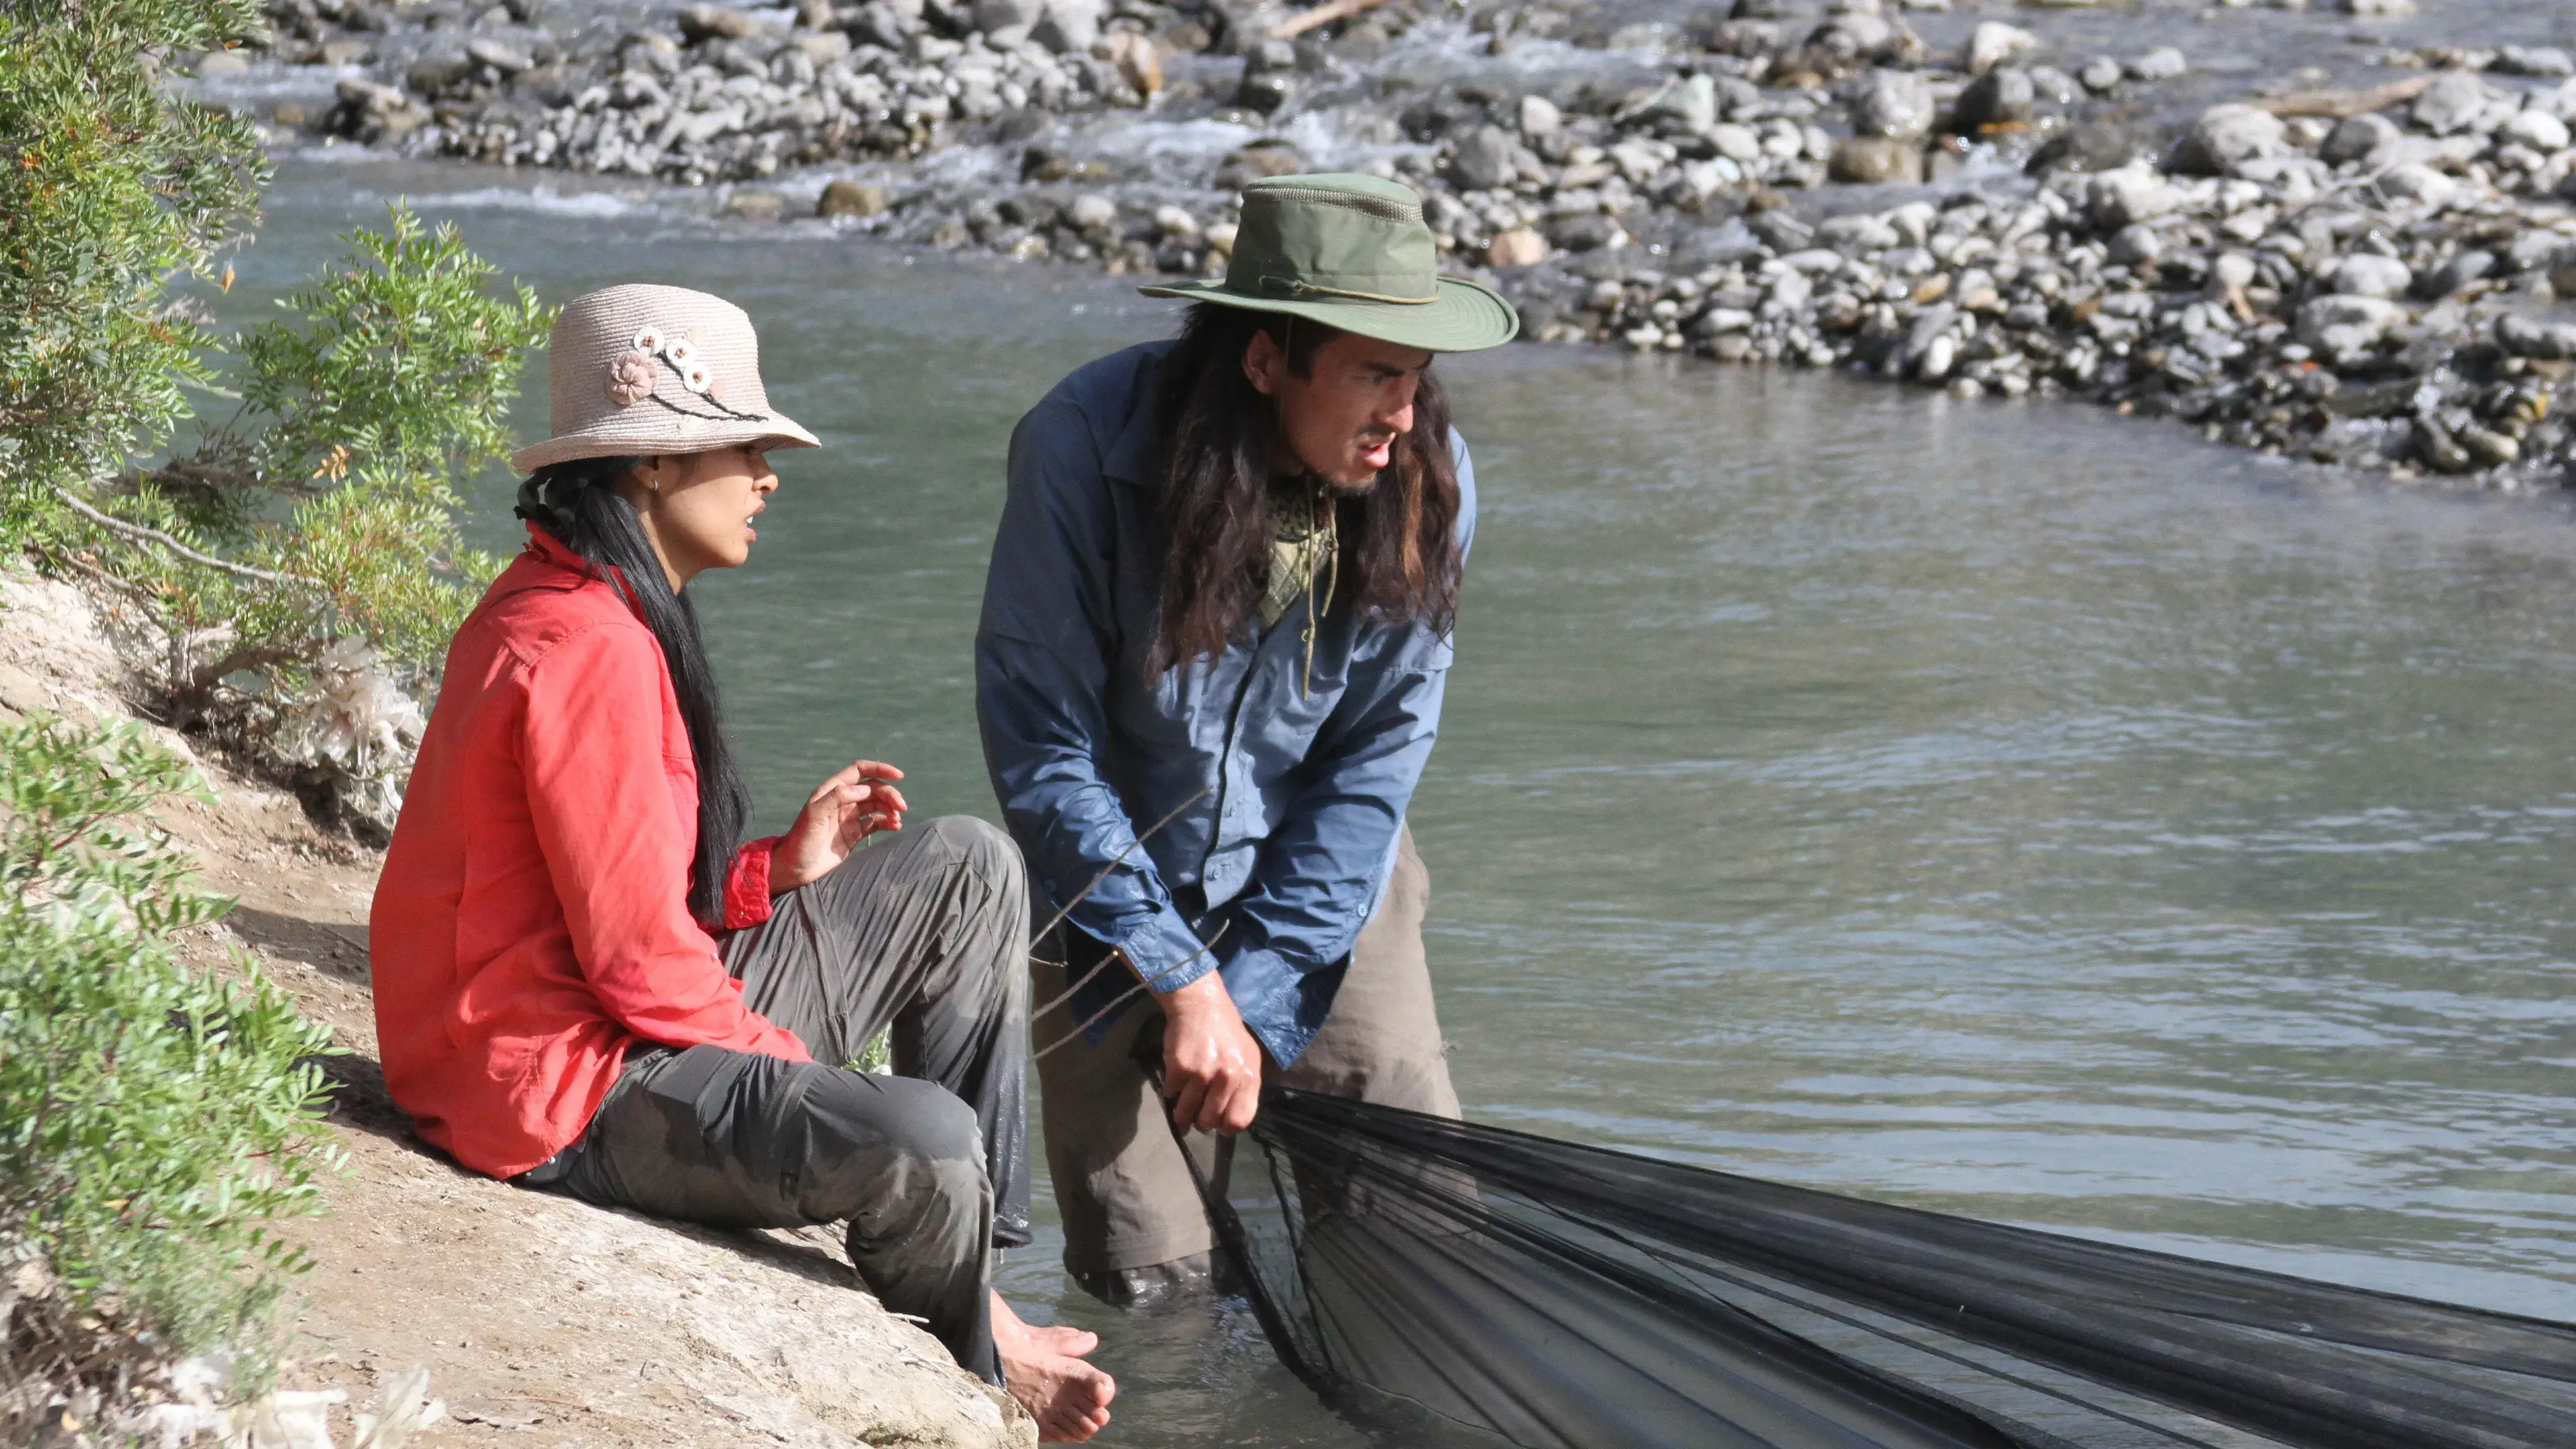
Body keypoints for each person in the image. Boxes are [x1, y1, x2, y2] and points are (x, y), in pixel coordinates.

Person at [369, 284, 1113, 1440]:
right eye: (746, 449)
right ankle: (984, 1347)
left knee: (969, 865)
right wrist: (808, 1074)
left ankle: (977, 1271)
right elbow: (635, 969)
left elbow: (595, 887)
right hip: (561, 1094)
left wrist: (768, 873)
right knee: (921, 1138)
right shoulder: (589, 646)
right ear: (654, 469)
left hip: (583, 1027)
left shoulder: (584, 600)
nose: (769, 476)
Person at [974, 174, 1521, 1303]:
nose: (1404, 416)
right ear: (1264, 360)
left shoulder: (1429, 480)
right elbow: (1043, 747)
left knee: (1418, 1242)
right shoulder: (1080, 447)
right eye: (1375, 373)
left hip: (1330, 884)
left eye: (1417, 377)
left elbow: (1377, 758)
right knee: (1157, 1286)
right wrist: (1180, 980)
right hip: (1102, 898)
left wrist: (1255, 989)